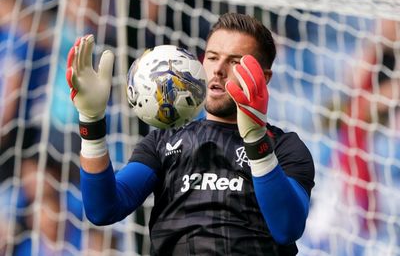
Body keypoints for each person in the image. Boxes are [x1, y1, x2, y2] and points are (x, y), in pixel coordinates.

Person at [66, 13, 315, 255]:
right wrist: (91, 121)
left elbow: (287, 228)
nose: (218, 70)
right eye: (212, 57)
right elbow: (102, 209)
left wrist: (255, 141)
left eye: (235, 61)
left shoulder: (284, 147)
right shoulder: (163, 142)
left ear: (263, 77)